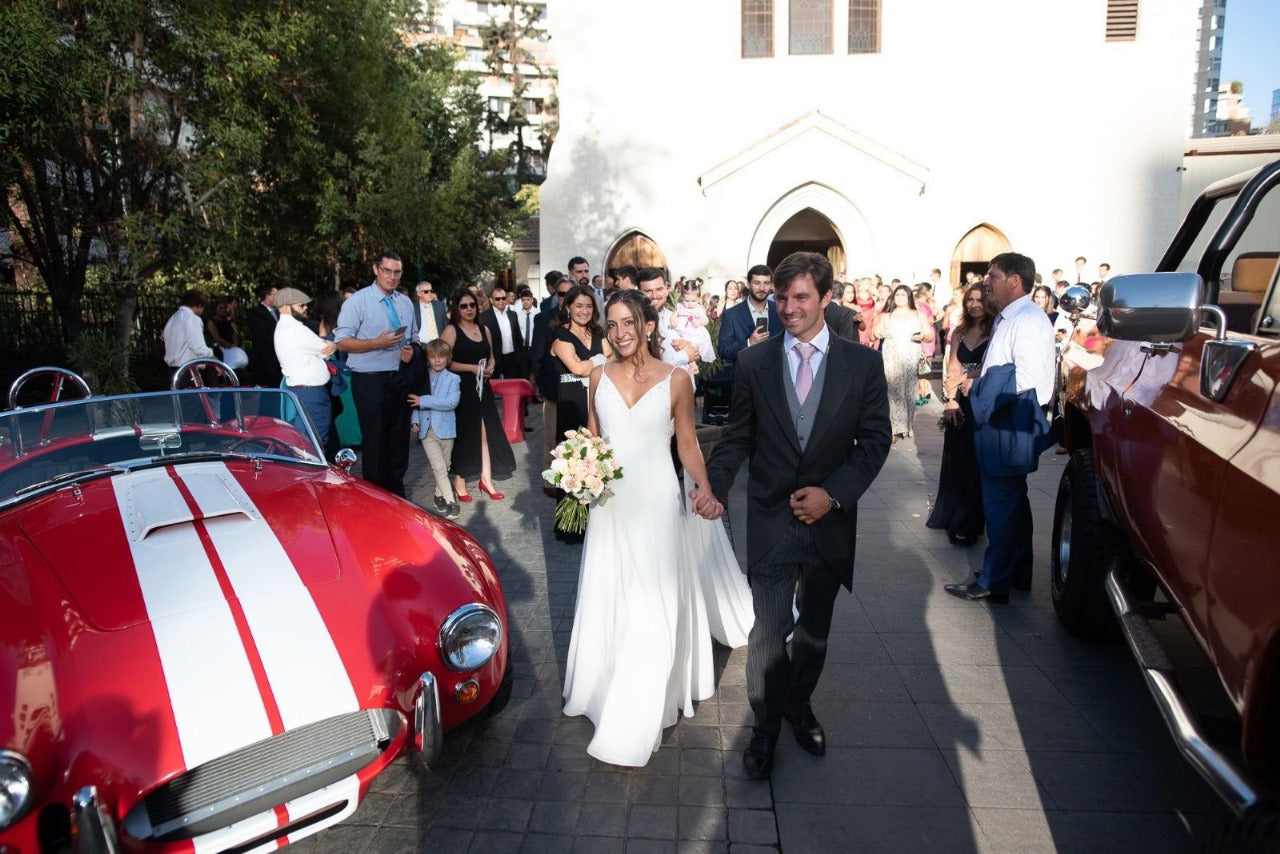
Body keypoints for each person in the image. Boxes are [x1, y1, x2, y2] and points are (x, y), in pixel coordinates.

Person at [706, 251, 891, 781]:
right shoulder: (754, 363)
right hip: (769, 518)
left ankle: (798, 704)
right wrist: (715, 486)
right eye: (780, 297)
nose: (787, 307)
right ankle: (764, 728)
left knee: (813, 629)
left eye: (800, 297)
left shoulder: (862, 364)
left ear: (826, 298)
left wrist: (832, 496)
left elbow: (874, 441)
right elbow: (738, 435)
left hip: (829, 523)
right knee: (768, 631)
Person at [562, 290, 751, 767]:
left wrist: (708, 491)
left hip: (657, 503)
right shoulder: (598, 377)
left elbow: (687, 446)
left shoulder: (677, 380)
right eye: (612, 324)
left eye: (629, 322)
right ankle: (607, 682)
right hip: (610, 507)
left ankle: (640, 704)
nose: (621, 333)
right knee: (615, 592)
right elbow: (594, 440)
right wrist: (578, 472)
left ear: (648, 325)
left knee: (653, 598)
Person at [945, 252, 1055, 605]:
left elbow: (1029, 379)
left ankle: (994, 580)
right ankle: (1014, 571)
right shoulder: (1015, 317)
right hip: (1006, 418)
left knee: (1001, 505)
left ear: (1014, 280)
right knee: (1013, 501)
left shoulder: (1026, 320)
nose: (986, 282)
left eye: (992, 276)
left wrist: (979, 387)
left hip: (1009, 420)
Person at [333, 249, 417, 497]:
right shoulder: (357, 302)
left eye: (397, 272)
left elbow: (412, 338)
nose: (392, 277)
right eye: (387, 271)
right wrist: (376, 343)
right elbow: (342, 342)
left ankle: (397, 496)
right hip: (370, 381)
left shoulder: (404, 303)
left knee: (399, 442)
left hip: (398, 378)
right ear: (375, 270)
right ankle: (376, 497)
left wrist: (411, 351)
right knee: (375, 442)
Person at [926, 285, 993, 545]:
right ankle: (950, 514)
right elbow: (953, 365)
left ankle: (970, 522)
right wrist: (951, 400)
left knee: (975, 464)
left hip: (984, 400)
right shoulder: (961, 331)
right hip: (961, 401)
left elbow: (992, 366)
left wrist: (967, 375)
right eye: (971, 300)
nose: (975, 305)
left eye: (980, 300)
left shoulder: (996, 332)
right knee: (956, 458)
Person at [441, 288, 517, 502]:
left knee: (487, 432)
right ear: (457, 308)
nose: (469, 309)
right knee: (467, 433)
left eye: (472, 305)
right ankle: (460, 480)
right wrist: (471, 368)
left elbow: (491, 356)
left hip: (483, 388)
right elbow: (443, 361)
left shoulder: (484, 329)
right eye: (464, 305)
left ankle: (486, 478)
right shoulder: (451, 331)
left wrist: (490, 367)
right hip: (462, 388)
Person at [273, 287, 337, 449]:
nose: (305, 308)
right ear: (286, 306)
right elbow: (326, 350)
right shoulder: (294, 328)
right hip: (311, 393)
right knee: (314, 442)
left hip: (302, 390)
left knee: (303, 440)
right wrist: (329, 346)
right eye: (301, 305)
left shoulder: (284, 327)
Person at [549, 283, 613, 445]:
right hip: (573, 402)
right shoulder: (561, 336)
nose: (584, 311)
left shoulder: (598, 332)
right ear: (568, 308)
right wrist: (601, 359)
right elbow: (577, 369)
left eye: (589, 306)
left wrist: (589, 364)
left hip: (600, 397)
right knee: (575, 453)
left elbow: (613, 362)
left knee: (600, 449)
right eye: (579, 306)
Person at [408, 338, 462, 520]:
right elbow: (414, 402)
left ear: (448, 358)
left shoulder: (454, 379)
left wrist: (424, 401)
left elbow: (451, 403)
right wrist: (415, 418)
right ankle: (451, 502)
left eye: (441, 357)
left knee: (445, 467)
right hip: (426, 430)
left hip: (446, 429)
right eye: (433, 357)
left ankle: (438, 494)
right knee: (438, 468)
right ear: (427, 359)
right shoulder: (421, 377)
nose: (437, 360)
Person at [874, 284, 934, 441]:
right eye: (897, 295)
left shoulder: (918, 314)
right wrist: (878, 332)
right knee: (892, 390)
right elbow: (874, 334)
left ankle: (906, 425)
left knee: (909, 390)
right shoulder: (887, 316)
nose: (900, 298)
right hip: (891, 355)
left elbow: (929, 335)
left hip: (911, 355)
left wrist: (921, 336)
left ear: (909, 297)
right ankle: (894, 427)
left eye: (903, 295)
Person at [717, 264, 780, 383]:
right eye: (757, 283)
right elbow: (724, 350)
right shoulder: (732, 315)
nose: (762, 288)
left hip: (775, 380)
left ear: (771, 285)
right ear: (748, 284)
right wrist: (749, 342)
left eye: (766, 283)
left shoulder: (779, 311)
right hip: (745, 382)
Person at [638, 268, 700, 372]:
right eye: (648, 291)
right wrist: (685, 355)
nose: (654, 296)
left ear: (667, 290)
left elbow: (695, 353)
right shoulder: (636, 324)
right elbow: (644, 363)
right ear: (639, 293)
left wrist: (690, 347)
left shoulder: (677, 317)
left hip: (686, 385)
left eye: (659, 289)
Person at [668, 279, 716, 370]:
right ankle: (685, 363)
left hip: (694, 331)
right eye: (687, 300)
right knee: (678, 344)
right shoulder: (680, 306)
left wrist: (699, 322)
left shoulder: (698, 308)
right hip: (681, 329)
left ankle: (693, 364)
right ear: (682, 297)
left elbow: (706, 320)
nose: (690, 304)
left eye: (693, 301)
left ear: (698, 298)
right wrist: (673, 320)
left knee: (692, 346)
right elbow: (674, 315)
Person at [483, 284, 527, 378]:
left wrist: (519, 356)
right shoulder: (484, 317)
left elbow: (518, 337)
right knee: (494, 388)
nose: (501, 301)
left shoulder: (513, 314)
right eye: (497, 299)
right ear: (491, 300)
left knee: (512, 387)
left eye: (503, 298)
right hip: (494, 359)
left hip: (512, 359)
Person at [163, 289, 214, 369]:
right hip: (188, 369)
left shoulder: (173, 319)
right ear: (200, 305)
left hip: (173, 369)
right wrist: (214, 360)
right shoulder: (192, 318)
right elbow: (198, 348)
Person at [247, 284, 281, 388]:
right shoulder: (256, 312)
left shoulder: (278, 312)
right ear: (268, 295)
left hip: (278, 358)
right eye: (276, 294)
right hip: (266, 359)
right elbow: (261, 335)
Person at [206, 298, 248, 370]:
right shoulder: (211, 322)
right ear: (215, 309)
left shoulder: (228, 322)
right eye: (220, 308)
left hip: (232, 349)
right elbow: (217, 338)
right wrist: (229, 345)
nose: (223, 310)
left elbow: (234, 333)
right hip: (220, 350)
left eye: (224, 308)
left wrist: (235, 343)